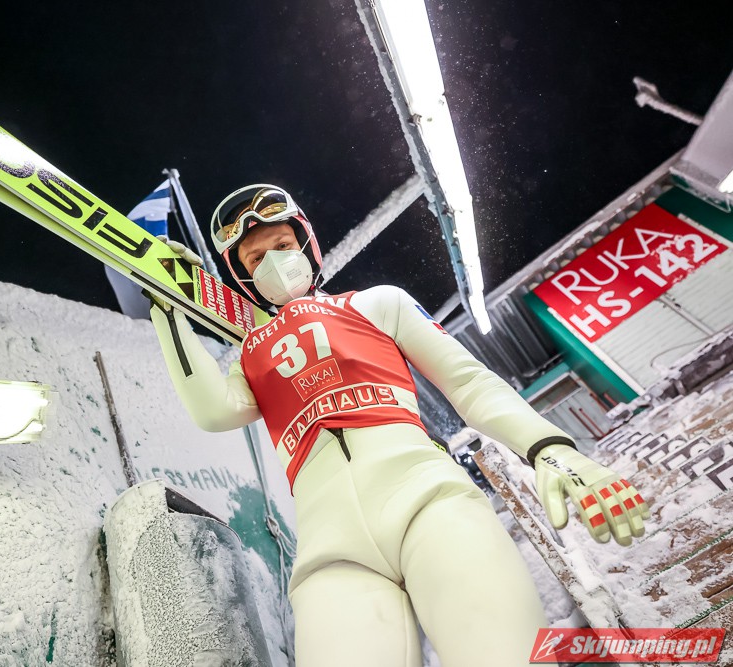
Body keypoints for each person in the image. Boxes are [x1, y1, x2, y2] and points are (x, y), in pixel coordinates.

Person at [148, 184, 650, 667]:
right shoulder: (250, 356)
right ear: (244, 278)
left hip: (431, 504)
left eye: (281, 245)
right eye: (257, 259)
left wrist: (550, 448)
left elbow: (469, 382)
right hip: (330, 554)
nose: (274, 263)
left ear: (305, 244)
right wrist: (167, 308)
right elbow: (214, 412)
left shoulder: (377, 303)